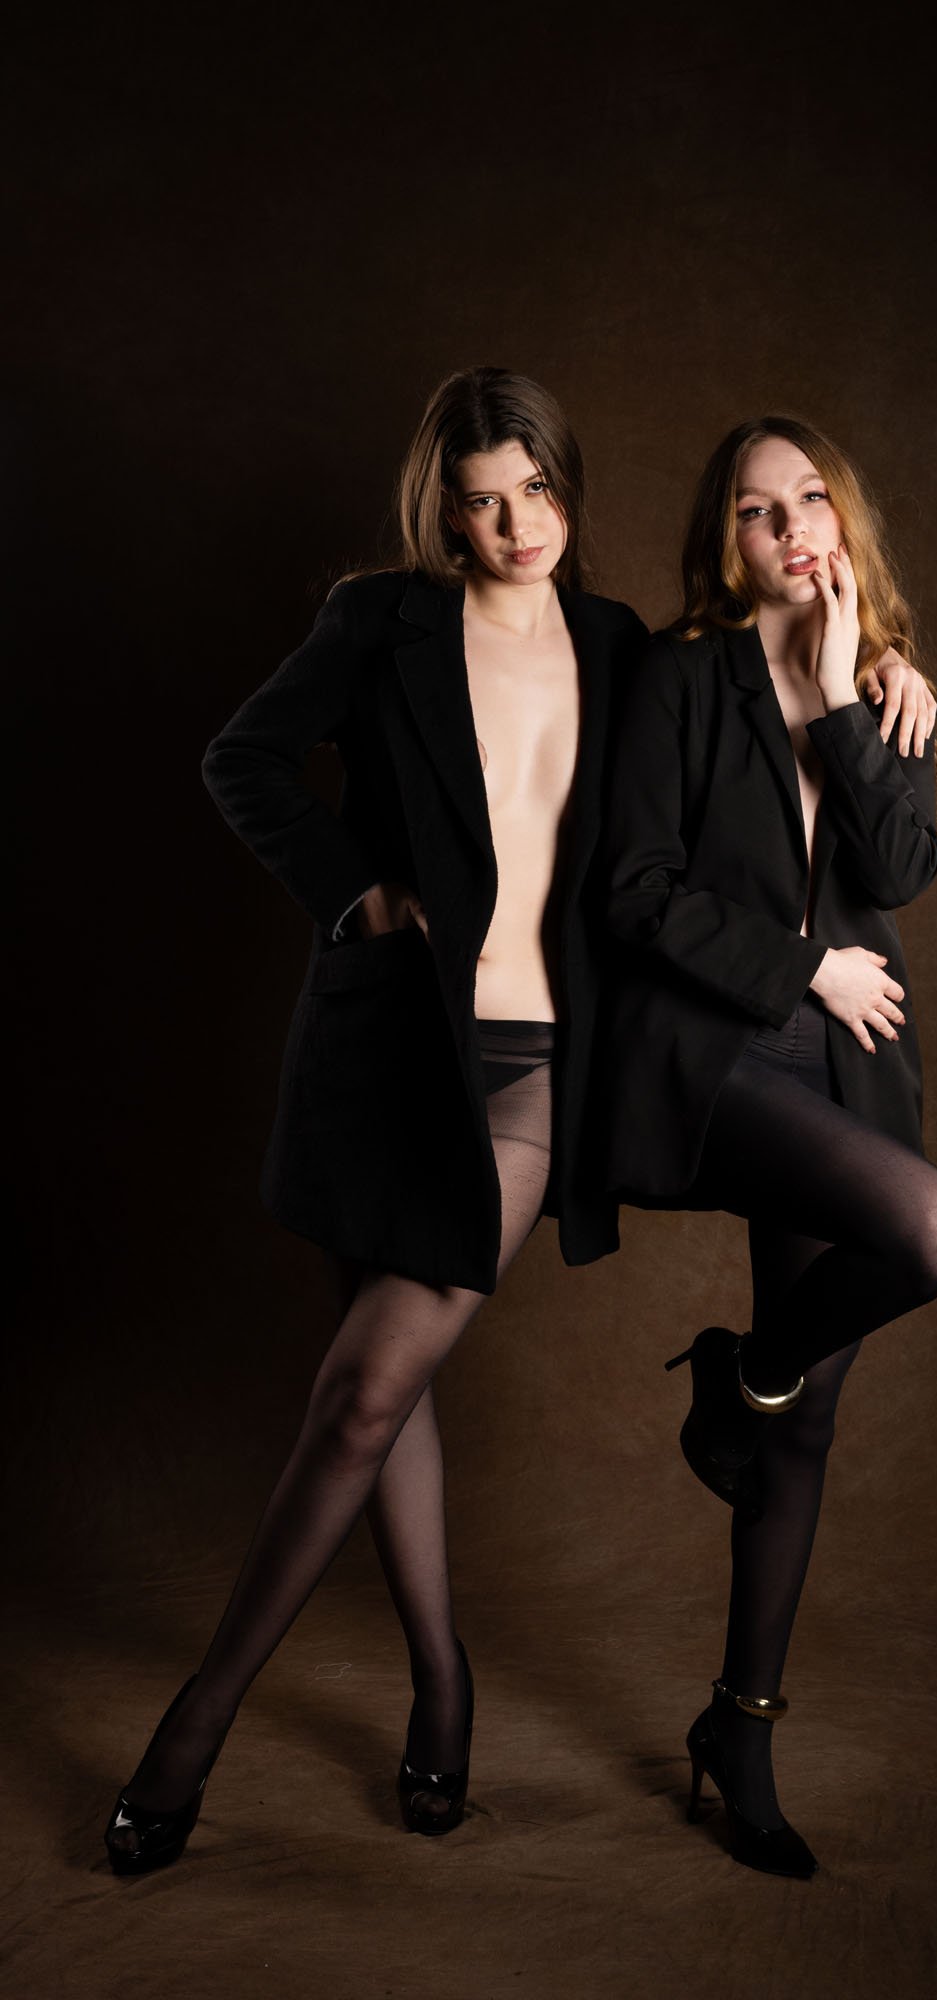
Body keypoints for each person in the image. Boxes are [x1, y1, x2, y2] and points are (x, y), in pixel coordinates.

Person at [104, 367, 647, 1873]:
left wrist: (880, 663)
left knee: (357, 1396)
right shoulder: (378, 622)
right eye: (482, 502)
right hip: (380, 1051)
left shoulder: (623, 648)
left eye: (537, 489)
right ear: (445, 514)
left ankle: (197, 1723)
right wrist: (355, 892)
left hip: (533, 1071)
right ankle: (441, 1682)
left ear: (566, 485)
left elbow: (744, 719)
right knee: (380, 1397)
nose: (517, 525)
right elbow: (242, 759)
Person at [602, 415, 937, 1879]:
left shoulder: (881, 684)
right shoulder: (679, 675)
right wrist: (803, 966)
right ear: (728, 540)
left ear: (844, 517)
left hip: (850, 1072)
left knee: (807, 1418)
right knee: (930, 1231)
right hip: (719, 1052)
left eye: (811, 498)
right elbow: (634, 889)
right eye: (759, 510)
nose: (791, 527)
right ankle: (740, 1374)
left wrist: (839, 701)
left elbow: (900, 870)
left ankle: (740, 1731)